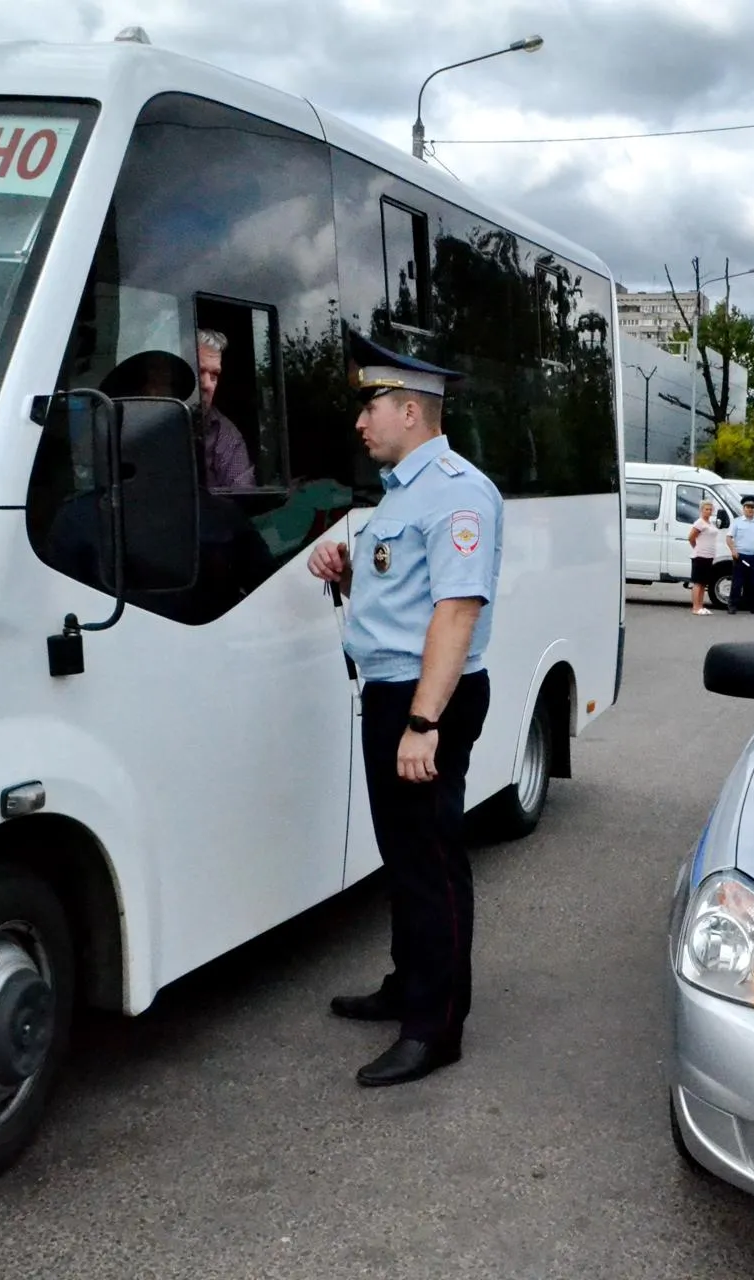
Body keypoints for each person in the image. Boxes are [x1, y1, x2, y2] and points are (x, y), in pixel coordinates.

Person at [306, 329, 503, 1088]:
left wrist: (424, 723)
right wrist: (346, 572)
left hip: (428, 700)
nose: (361, 423)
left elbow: (455, 614)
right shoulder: (405, 495)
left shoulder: (456, 491)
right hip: (395, 691)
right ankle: (406, 985)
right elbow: (408, 599)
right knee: (405, 855)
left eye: (372, 407)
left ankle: (436, 1024)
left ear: (412, 412)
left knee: (431, 863)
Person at [195, 328, 257, 491]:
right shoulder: (146, 421)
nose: (208, 384)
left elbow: (241, 496)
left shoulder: (225, 434)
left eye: (214, 376)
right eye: (199, 371)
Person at [726, 496, 754, 615]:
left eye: (752, 507)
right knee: (737, 583)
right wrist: (733, 550)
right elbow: (729, 537)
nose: (750, 510)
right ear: (743, 508)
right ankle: (733, 605)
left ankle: (753, 606)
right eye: (747, 507)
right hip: (740, 556)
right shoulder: (737, 522)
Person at [687, 499, 725, 615]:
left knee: (704, 582)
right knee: (698, 582)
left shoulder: (710, 523)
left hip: (709, 556)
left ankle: (701, 606)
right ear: (701, 510)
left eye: (710, 509)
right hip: (700, 555)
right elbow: (691, 537)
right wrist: (697, 547)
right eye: (706, 509)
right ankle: (695, 607)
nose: (708, 511)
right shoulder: (699, 523)